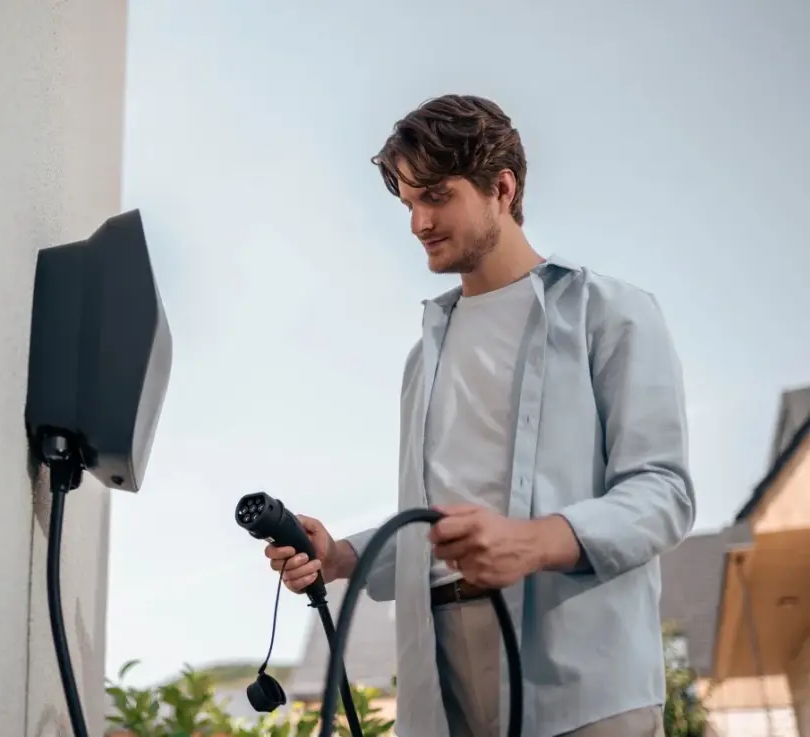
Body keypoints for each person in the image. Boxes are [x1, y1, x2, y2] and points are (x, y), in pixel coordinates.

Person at [264, 95, 694, 737]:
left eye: (435, 196)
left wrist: (533, 541)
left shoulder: (611, 313)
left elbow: (664, 492)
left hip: (583, 676)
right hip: (439, 678)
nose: (417, 222)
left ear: (502, 187)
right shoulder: (424, 356)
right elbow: (433, 524)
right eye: (408, 202)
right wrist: (343, 556)